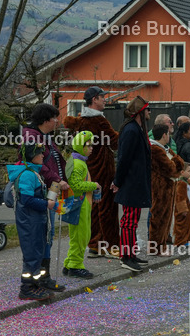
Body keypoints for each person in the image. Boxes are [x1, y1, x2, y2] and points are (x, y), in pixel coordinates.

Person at [64, 86, 120, 259]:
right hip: (103, 169)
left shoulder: (81, 120)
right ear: (94, 99)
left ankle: (95, 244)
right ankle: (111, 245)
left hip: (88, 169)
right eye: (103, 97)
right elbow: (116, 143)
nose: (105, 100)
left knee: (93, 208)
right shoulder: (99, 121)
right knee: (108, 208)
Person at [21, 103, 68, 292]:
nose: (57, 121)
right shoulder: (32, 137)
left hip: (50, 188)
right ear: (46, 120)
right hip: (42, 190)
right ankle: (35, 280)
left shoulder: (44, 136)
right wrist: (57, 179)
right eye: (55, 118)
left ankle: (44, 276)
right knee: (41, 236)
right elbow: (38, 164)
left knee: (47, 235)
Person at [8, 143, 56, 301]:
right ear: (31, 156)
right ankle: (26, 287)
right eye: (39, 153)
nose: (43, 156)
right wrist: (46, 204)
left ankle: (35, 284)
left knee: (37, 251)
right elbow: (27, 199)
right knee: (32, 253)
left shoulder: (33, 172)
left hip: (35, 220)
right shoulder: (28, 175)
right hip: (30, 221)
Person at [111, 97, 153, 273]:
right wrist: (117, 181)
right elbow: (123, 159)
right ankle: (125, 256)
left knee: (133, 221)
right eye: (147, 110)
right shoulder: (131, 130)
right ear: (140, 112)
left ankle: (131, 254)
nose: (149, 113)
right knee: (128, 221)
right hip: (130, 183)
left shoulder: (137, 129)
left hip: (136, 182)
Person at [63, 131, 99, 279]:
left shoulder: (78, 161)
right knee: (81, 236)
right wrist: (94, 185)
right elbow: (75, 184)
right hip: (80, 205)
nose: (91, 148)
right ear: (81, 146)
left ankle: (70, 263)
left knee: (77, 236)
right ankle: (76, 266)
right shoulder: (78, 164)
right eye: (88, 145)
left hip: (81, 204)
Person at [149, 122, 184, 256]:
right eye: (168, 134)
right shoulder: (156, 149)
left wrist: (175, 160)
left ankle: (161, 245)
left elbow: (179, 165)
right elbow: (172, 169)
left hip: (167, 187)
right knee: (159, 218)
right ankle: (155, 248)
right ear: (164, 135)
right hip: (160, 188)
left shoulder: (164, 148)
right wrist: (176, 160)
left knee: (166, 218)